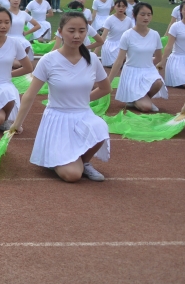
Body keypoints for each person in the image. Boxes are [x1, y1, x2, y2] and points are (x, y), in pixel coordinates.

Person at [8, 12, 113, 182]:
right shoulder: (49, 60)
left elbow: (105, 88)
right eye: (71, 31)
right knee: (72, 175)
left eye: (82, 31)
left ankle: (84, 161)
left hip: (83, 115)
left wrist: (82, 101)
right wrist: (16, 124)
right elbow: (30, 94)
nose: (77, 35)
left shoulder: (92, 59)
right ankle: (57, 159)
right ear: (60, 31)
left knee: (100, 127)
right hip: (58, 120)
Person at [109, 3, 167, 112]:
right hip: (131, 73)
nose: (146, 18)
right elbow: (119, 60)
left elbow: (159, 58)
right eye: (143, 14)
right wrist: (109, 82)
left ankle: (142, 98)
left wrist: (146, 64)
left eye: (149, 15)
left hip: (148, 70)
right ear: (135, 15)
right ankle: (137, 100)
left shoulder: (155, 34)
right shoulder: (127, 35)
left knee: (158, 82)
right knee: (146, 107)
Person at [97, 0, 134, 68]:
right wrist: (95, 53)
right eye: (119, 6)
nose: (121, 8)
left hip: (123, 46)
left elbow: (131, 36)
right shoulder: (109, 19)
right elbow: (103, 37)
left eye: (123, 6)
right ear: (114, 7)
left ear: (126, 7)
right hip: (110, 47)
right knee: (116, 65)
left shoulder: (128, 20)